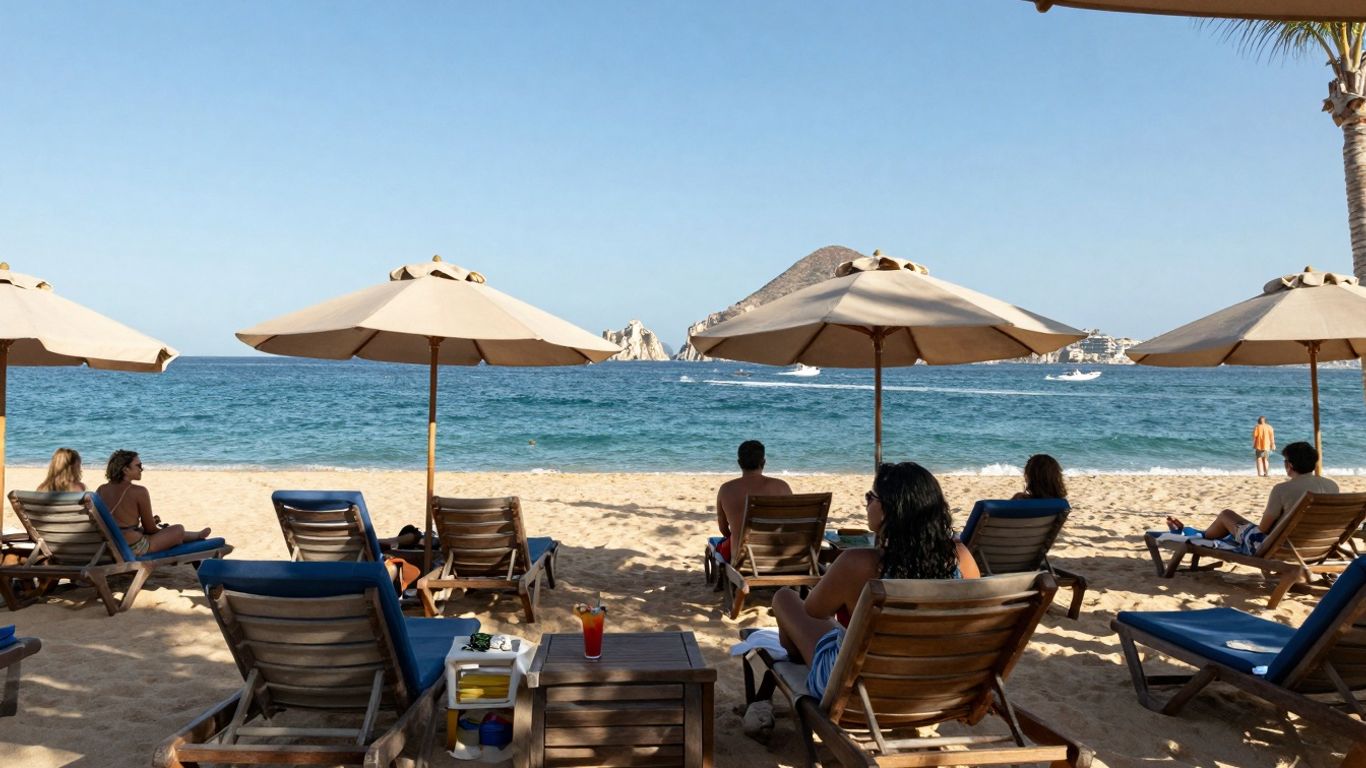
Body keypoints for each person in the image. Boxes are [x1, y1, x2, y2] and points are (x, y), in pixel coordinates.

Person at [772, 462, 980, 701]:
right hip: (931, 685)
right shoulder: (961, 558)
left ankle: (795, 664)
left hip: (857, 691)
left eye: (871, 497)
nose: (866, 502)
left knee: (785, 598)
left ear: (889, 509)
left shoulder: (857, 563)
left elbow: (813, 610)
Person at [1167, 441, 1337, 554]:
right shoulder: (1332, 486)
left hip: (1278, 548)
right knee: (1235, 527)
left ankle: (1199, 537)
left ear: (1290, 465)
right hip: (1318, 547)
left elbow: (1263, 529)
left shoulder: (1283, 489)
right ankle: (1198, 533)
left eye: (1285, 460)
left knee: (1227, 515)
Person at [96, 450, 211, 556]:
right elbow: (150, 529)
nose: (141, 469)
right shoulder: (139, 491)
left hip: (109, 545)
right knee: (178, 530)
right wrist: (162, 532)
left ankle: (196, 535)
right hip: (132, 547)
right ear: (125, 469)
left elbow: (116, 522)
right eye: (138, 466)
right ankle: (194, 536)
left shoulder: (101, 489)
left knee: (165, 531)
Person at [714, 440, 792, 563]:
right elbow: (790, 526)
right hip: (778, 558)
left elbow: (723, 529)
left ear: (739, 463)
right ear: (763, 462)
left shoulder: (726, 489)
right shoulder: (782, 487)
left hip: (743, 560)